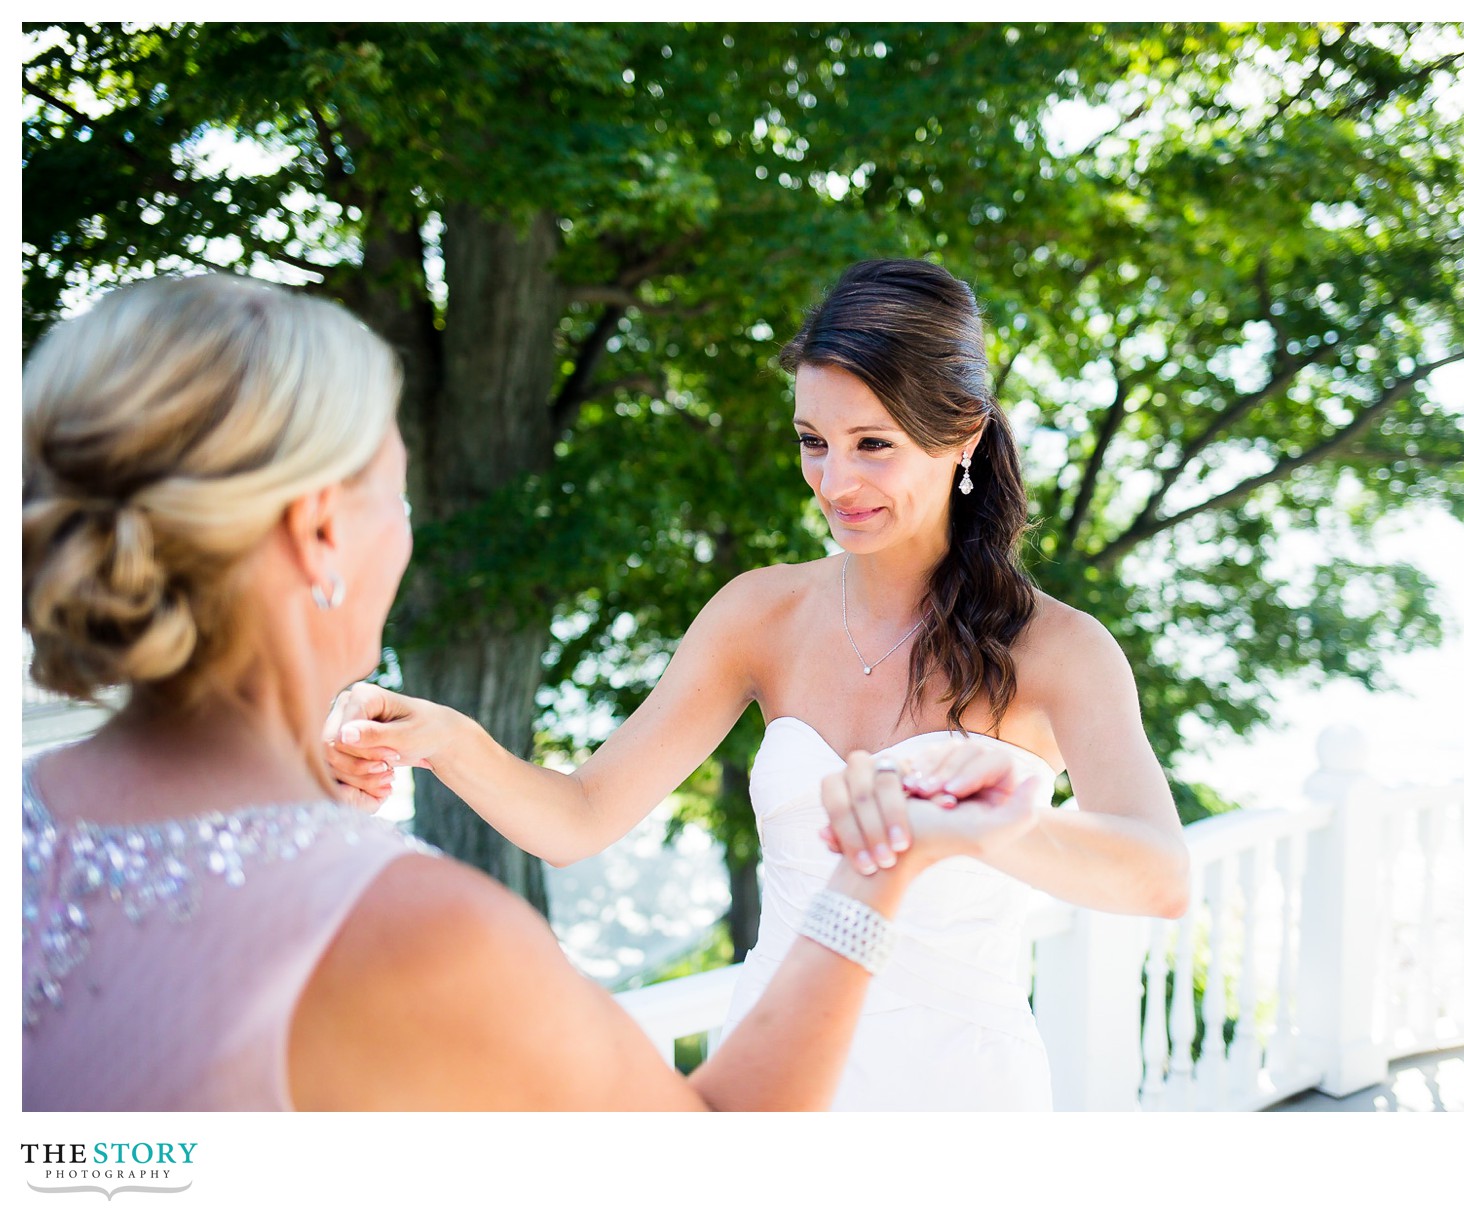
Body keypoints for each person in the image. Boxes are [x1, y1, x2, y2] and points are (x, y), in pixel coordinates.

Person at [20, 272, 1042, 1112]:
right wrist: (876, 870)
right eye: (398, 484)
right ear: (320, 531)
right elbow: (721, 1156)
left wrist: (379, 774)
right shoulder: (426, 929)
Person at [327, 258, 1191, 1111]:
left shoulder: (1061, 649)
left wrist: (982, 826)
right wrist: (448, 741)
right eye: (813, 441)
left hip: (959, 1097)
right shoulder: (759, 613)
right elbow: (579, 816)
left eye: (873, 445)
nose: (834, 481)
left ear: (963, 434)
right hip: (771, 1089)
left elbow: (1161, 876)